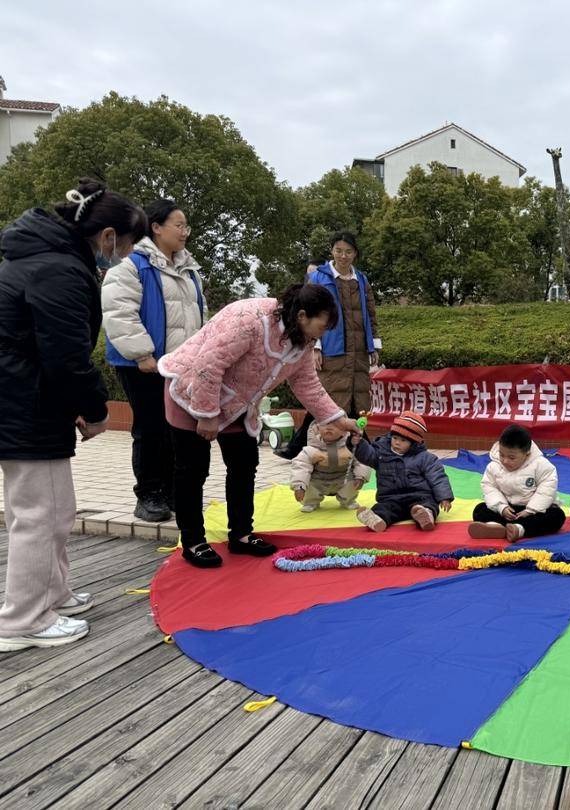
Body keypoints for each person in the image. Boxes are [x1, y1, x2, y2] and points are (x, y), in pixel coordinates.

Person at [0, 180, 147, 651]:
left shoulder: (46, 257)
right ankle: (22, 619)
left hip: (29, 401)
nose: (123, 256)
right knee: (38, 514)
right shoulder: (60, 269)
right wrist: (94, 410)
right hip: (25, 404)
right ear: (107, 237)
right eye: (125, 246)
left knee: (55, 510)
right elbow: (66, 356)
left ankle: (53, 595)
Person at [158, 283, 358, 568]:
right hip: (192, 389)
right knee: (192, 468)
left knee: (244, 463)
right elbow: (209, 364)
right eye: (323, 325)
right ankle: (193, 540)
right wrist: (206, 414)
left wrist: (338, 419)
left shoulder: (302, 341)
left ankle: (240, 534)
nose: (323, 333)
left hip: (238, 403)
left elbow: (307, 384)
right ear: (302, 315)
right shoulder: (250, 320)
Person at [102, 199, 207, 523]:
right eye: (178, 225)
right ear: (156, 227)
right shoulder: (132, 264)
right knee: (150, 428)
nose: (184, 232)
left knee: (176, 429)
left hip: (179, 366)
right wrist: (142, 354)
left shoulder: (189, 268)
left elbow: (199, 317)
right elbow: (119, 312)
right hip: (143, 364)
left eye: (186, 226)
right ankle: (148, 494)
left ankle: (173, 492)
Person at [276, 233, 381, 460]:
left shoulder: (361, 280)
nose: (343, 256)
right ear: (332, 251)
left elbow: (370, 314)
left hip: (359, 349)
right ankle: (305, 446)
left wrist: (374, 346)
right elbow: (309, 316)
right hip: (332, 348)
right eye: (338, 250)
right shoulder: (319, 278)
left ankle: (360, 446)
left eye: (348, 251)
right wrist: (315, 347)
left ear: (355, 254)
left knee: (359, 399)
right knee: (328, 399)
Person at [353, 412, 454, 532]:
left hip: (419, 496)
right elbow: (367, 455)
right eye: (394, 438)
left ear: (413, 443)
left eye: (403, 440)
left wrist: (444, 497)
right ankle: (377, 520)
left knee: (428, 504)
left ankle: (425, 514)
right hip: (391, 498)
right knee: (383, 508)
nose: (397, 442)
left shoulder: (425, 458)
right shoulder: (380, 453)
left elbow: (437, 477)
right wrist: (358, 444)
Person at [469, 424, 567, 541]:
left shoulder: (541, 465)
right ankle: (497, 527)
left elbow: (546, 490)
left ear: (527, 454)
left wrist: (531, 510)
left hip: (532, 512)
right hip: (508, 510)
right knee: (479, 510)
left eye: (511, 457)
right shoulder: (494, 465)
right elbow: (489, 487)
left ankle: (519, 529)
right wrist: (501, 507)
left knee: (557, 516)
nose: (505, 460)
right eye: (501, 454)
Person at [290, 421, 371, 512]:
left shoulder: (351, 447)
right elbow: (301, 465)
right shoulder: (311, 449)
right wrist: (299, 485)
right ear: (317, 428)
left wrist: (361, 476)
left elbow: (362, 461)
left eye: (335, 425)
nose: (329, 428)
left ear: (344, 430)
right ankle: (311, 502)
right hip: (319, 479)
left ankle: (349, 501)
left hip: (343, 478)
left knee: (352, 482)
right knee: (307, 482)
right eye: (324, 425)